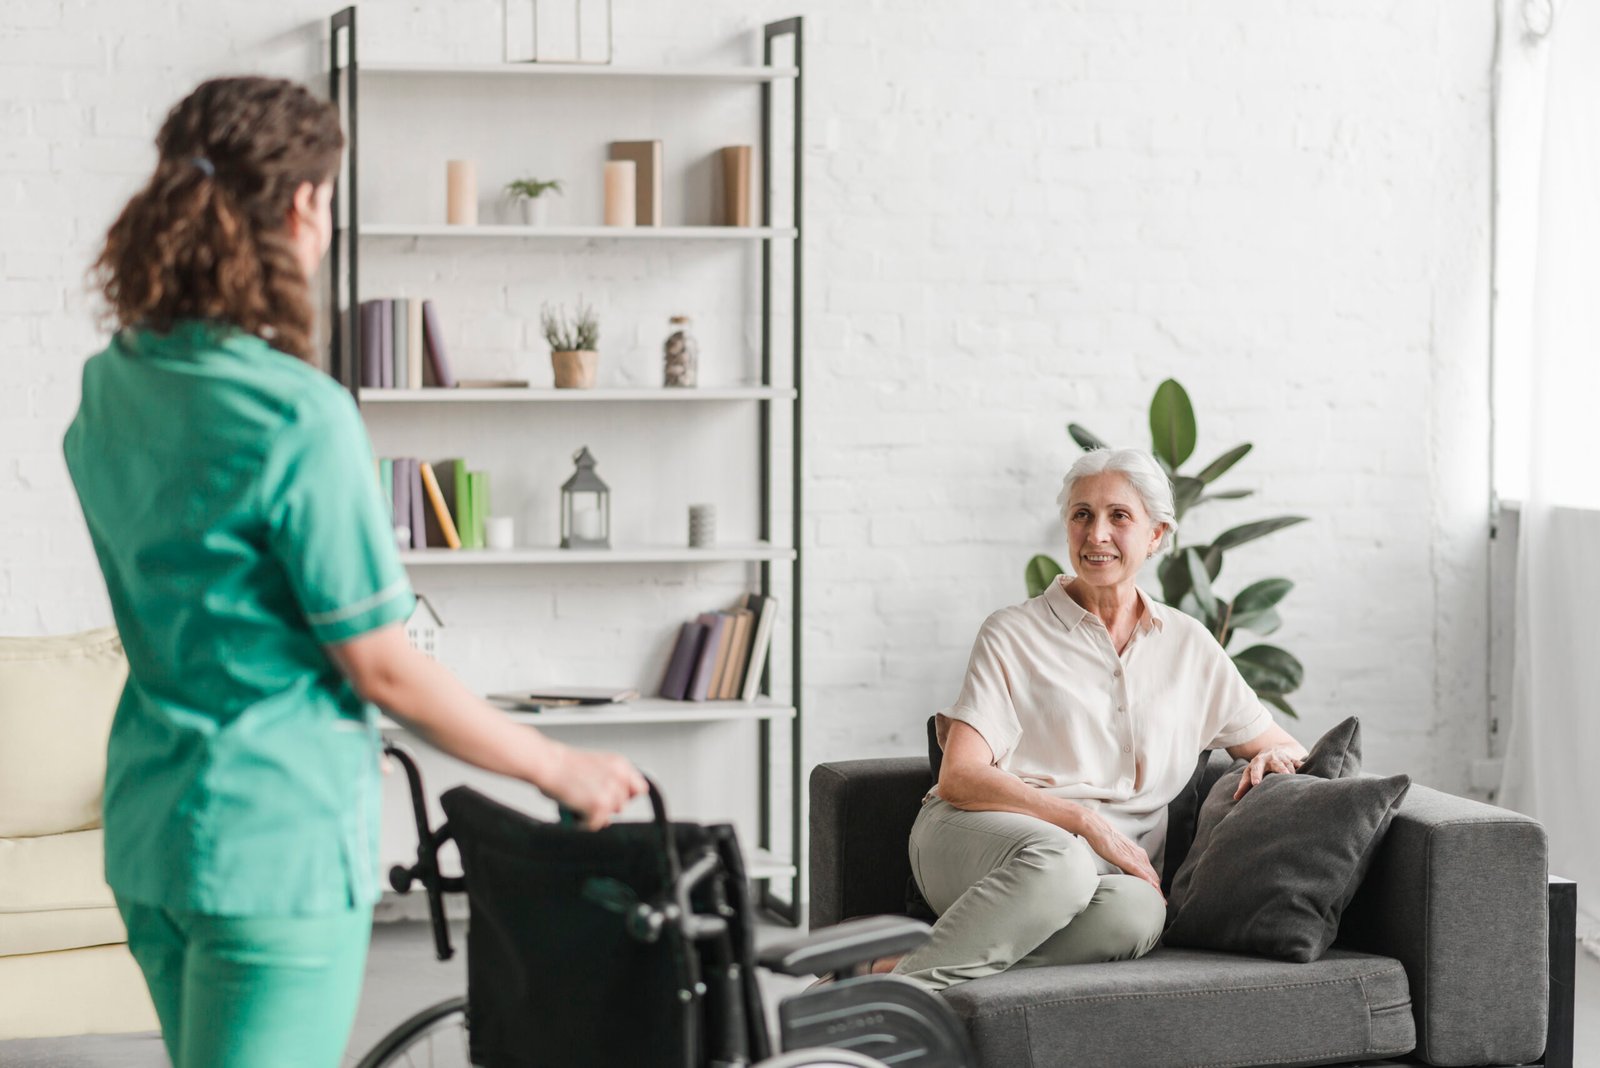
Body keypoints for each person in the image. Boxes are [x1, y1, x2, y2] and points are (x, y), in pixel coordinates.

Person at [62, 76, 646, 1067]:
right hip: (272, 846)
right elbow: (378, 664)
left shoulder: (116, 382)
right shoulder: (299, 413)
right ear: (304, 206)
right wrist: (556, 763)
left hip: (153, 834)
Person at [883, 447, 1308, 989]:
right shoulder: (1012, 632)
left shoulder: (1190, 646)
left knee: (1139, 916)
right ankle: (890, 1002)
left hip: (1100, 882)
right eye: (1082, 514)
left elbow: (1288, 749)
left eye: (1119, 517)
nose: (1097, 533)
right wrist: (1084, 823)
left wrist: (1274, 754)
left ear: (1156, 535)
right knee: (1062, 861)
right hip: (975, 841)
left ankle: (891, 968)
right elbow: (959, 776)